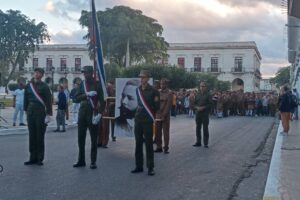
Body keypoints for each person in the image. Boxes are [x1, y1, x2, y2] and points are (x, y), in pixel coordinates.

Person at [73, 65, 105, 169]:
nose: (85, 74)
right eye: (84, 72)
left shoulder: (97, 84)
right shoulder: (82, 84)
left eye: (86, 72)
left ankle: (93, 161)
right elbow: (75, 98)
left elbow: (102, 100)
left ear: (91, 73)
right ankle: (81, 160)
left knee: (93, 139)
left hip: (93, 113)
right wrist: (86, 94)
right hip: (82, 113)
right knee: (80, 138)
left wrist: (100, 114)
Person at [131, 70, 160, 176]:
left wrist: (148, 110)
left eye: (143, 77)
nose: (141, 79)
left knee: (148, 144)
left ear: (148, 78)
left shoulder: (153, 91)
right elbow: (139, 103)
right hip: (138, 119)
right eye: (140, 77)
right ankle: (138, 166)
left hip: (147, 120)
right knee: (138, 143)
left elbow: (157, 107)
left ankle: (150, 167)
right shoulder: (138, 90)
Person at [24, 67, 52, 166]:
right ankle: (32, 157)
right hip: (31, 113)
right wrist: (25, 110)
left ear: (42, 75)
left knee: (39, 136)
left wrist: (48, 114)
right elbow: (26, 99)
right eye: (35, 72)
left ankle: (40, 158)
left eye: (39, 73)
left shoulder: (44, 86)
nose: (36, 74)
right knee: (32, 136)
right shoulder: (28, 86)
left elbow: (49, 101)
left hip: (40, 113)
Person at [155, 79, 172, 154]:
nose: (162, 85)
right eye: (161, 84)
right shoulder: (157, 92)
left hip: (165, 115)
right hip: (158, 114)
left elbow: (168, 105)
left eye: (163, 84)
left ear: (166, 84)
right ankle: (159, 147)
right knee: (157, 132)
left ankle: (166, 147)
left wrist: (164, 115)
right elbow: (155, 102)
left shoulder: (169, 93)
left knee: (165, 132)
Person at [193, 82, 213, 148]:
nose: (202, 87)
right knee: (198, 128)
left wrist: (203, 107)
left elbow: (211, 104)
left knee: (205, 128)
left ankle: (205, 143)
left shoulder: (208, 95)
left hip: (205, 114)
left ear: (206, 87)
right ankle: (198, 142)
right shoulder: (197, 94)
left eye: (203, 86)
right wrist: (197, 107)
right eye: (201, 86)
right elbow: (194, 104)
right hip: (198, 113)